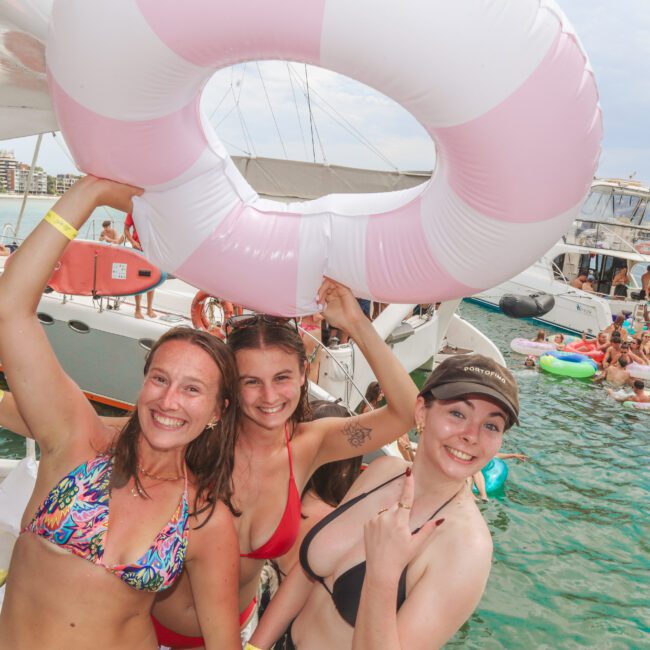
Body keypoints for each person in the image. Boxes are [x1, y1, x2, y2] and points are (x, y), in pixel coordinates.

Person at [0, 177, 241, 649]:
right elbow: (11, 309)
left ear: (217, 411)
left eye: (193, 389)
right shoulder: (76, 441)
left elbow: (223, 642)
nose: (169, 401)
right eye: (160, 379)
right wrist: (90, 194)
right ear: (143, 382)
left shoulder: (204, 519)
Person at [149, 280, 419, 648]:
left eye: (282, 378)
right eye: (251, 382)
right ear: (231, 384)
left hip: (239, 634)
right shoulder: (196, 434)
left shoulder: (313, 445)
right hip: (148, 632)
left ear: (303, 371)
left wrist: (356, 322)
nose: (270, 396)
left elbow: (406, 412)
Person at [248, 353, 520, 650]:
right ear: (422, 412)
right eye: (458, 413)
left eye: (491, 426)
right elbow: (306, 576)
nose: (471, 435)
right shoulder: (382, 472)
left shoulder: (467, 548)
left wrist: (384, 574)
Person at [124, 212, 157, 319]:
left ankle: (149, 309)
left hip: (151, 249)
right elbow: (126, 230)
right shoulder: (132, 211)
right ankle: (137, 309)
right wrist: (132, 242)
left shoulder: (153, 210)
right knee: (138, 279)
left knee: (152, 278)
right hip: (137, 248)